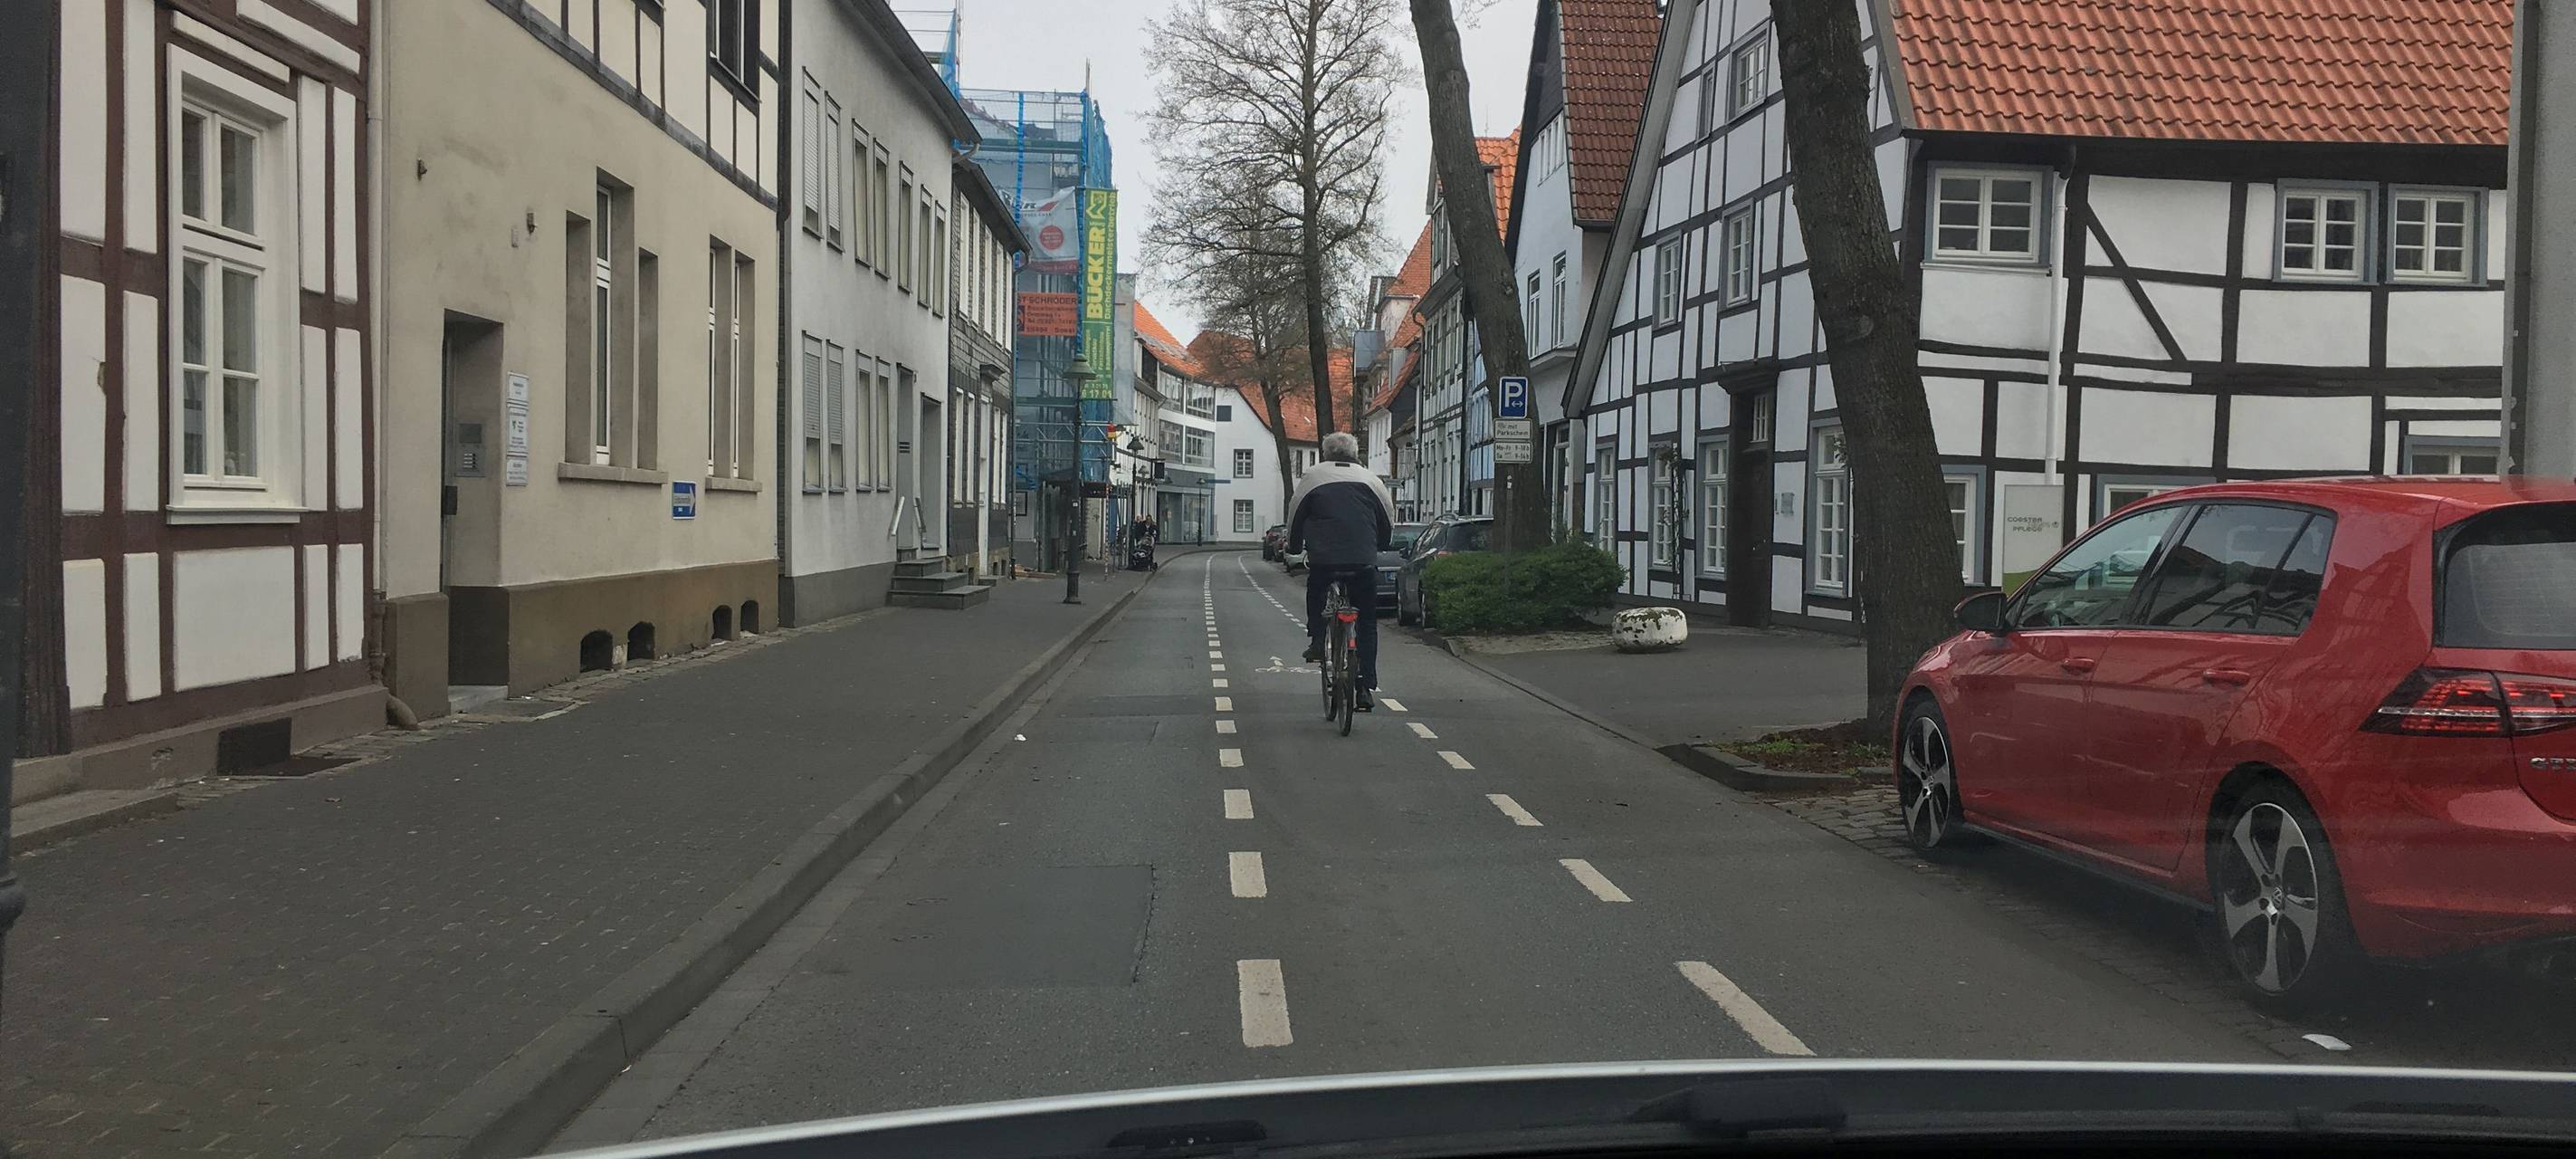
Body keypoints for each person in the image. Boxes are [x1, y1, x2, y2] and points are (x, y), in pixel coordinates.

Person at [1284, 431, 1394, 710]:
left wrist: (1295, 547)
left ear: (1325, 452)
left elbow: (1295, 514)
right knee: (1367, 622)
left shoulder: (1312, 477)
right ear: (1354, 453)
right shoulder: (1371, 479)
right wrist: (1379, 545)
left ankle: (1319, 640)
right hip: (1362, 561)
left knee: (1316, 590)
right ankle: (1366, 686)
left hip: (1325, 559)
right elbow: (1387, 519)